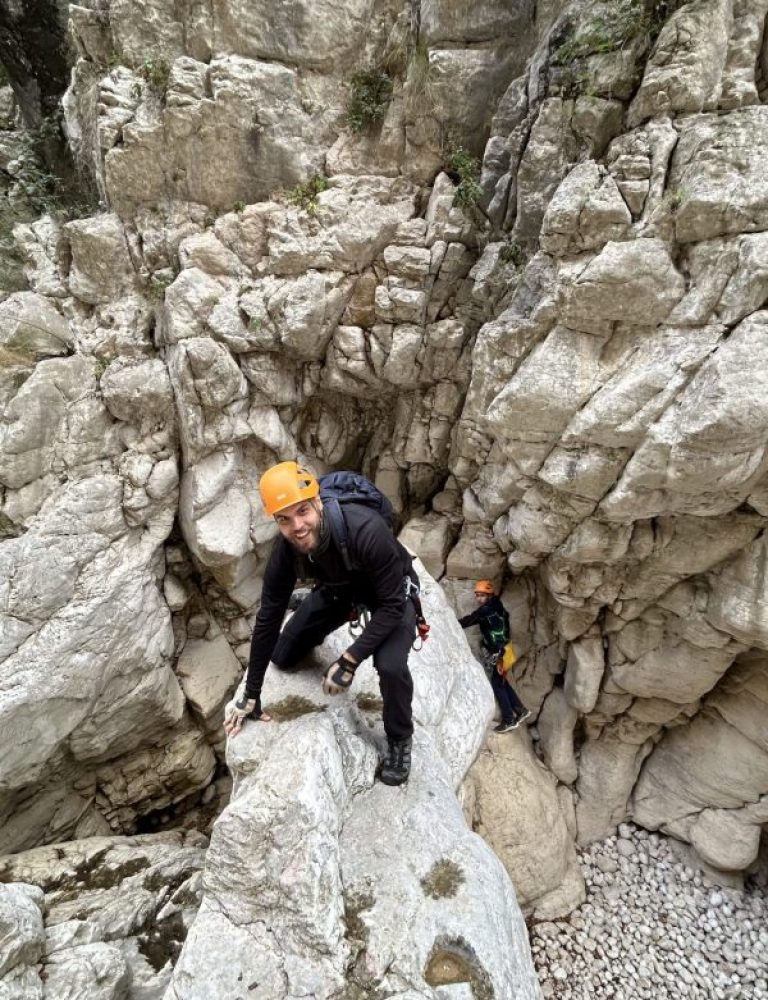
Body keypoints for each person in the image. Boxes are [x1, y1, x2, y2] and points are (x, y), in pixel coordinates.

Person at [224, 461, 419, 786]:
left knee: (391, 665)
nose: (297, 526)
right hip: (339, 592)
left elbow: (392, 606)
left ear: (317, 502)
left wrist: (349, 659)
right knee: (283, 655)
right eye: (284, 519)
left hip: (389, 595)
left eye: (302, 511)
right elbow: (268, 617)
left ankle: (400, 738)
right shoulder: (287, 551)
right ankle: (308, 601)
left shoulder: (365, 529)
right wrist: (252, 693)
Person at [459, 580, 530, 733]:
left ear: (489, 595)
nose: (479, 598)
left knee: (498, 685)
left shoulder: (485, 611)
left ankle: (509, 720)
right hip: (507, 649)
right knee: (502, 682)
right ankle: (520, 710)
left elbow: (469, 620)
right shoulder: (497, 604)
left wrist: (452, 623)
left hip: (500, 653)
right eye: (477, 595)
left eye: (482, 595)